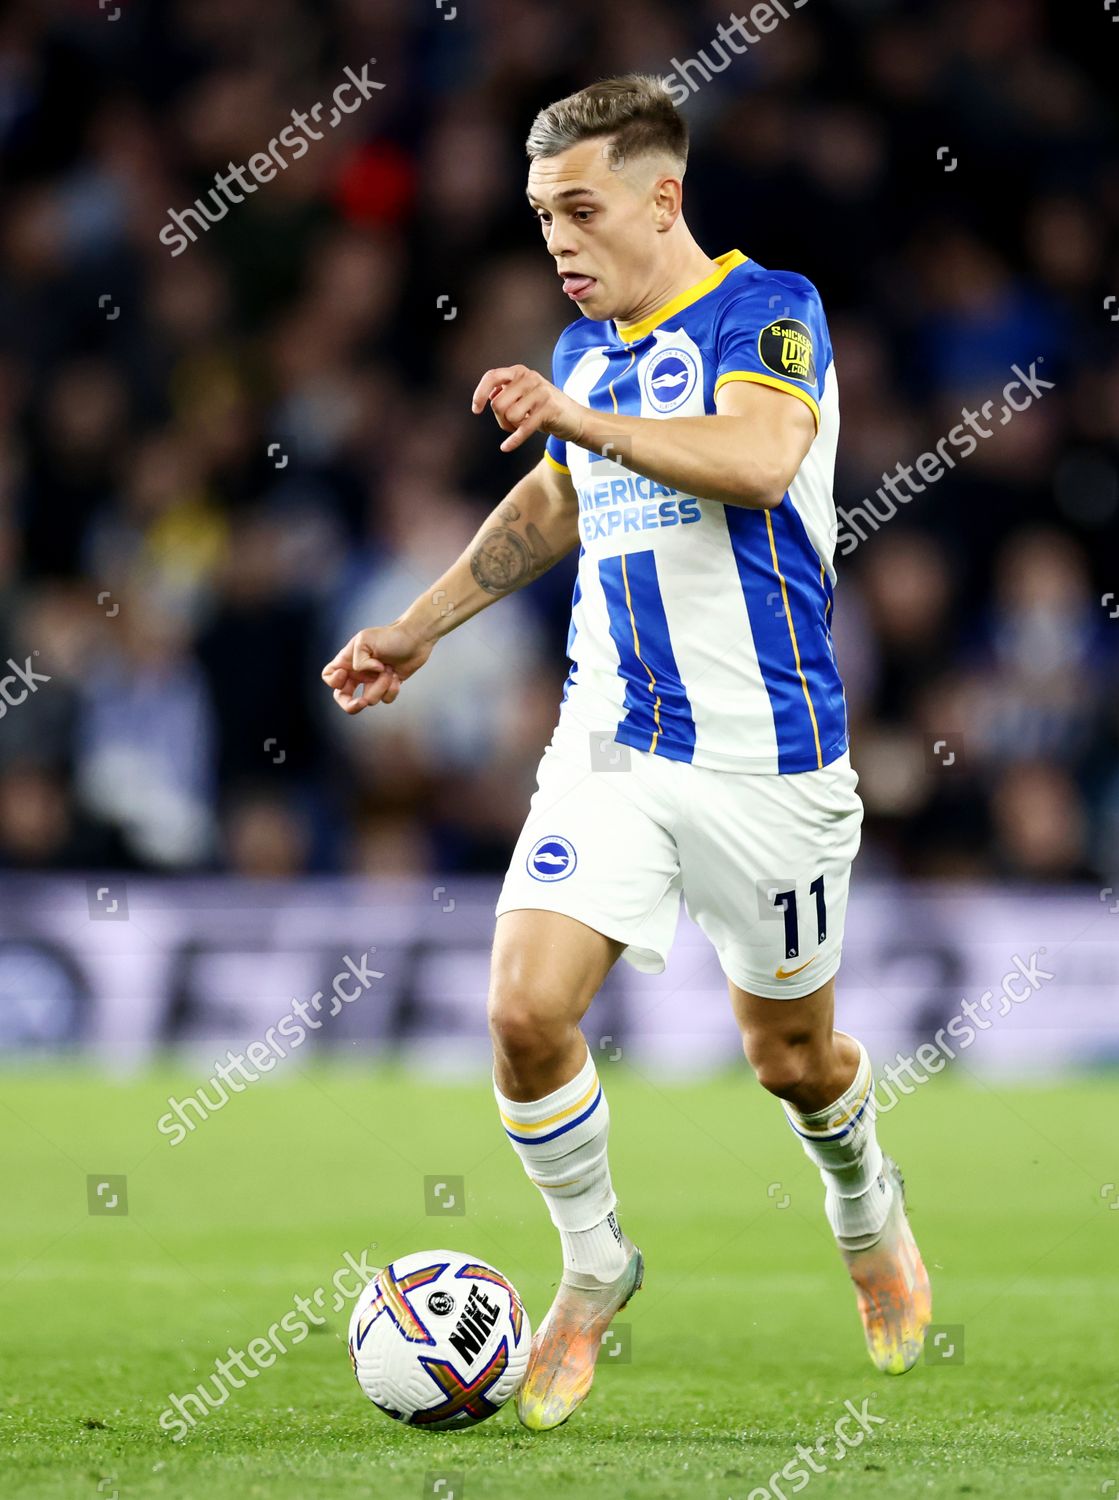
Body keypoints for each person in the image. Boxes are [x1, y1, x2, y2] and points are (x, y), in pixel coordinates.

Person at [322, 73, 930, 1432]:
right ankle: (594, 1263)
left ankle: (862, 1201)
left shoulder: (771, 310)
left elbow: (762, 461)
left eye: (581, 210)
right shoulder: (585, 357)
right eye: (543, 215)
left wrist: (580, 419)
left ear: (663, 197)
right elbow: (557, 499)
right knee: (525, 1015)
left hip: (771, 762)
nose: (558, 241)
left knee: (793, 1060)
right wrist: (420, 626)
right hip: (614, 742)